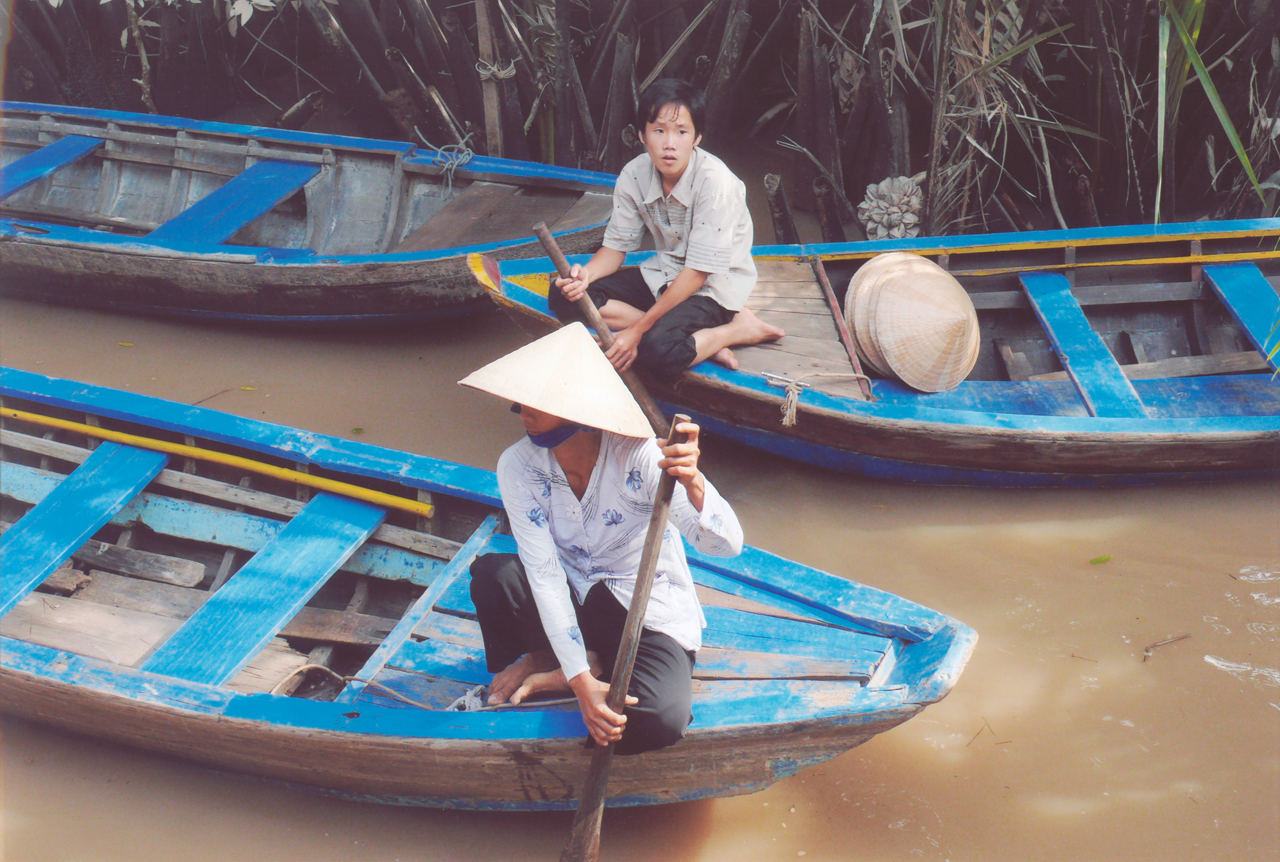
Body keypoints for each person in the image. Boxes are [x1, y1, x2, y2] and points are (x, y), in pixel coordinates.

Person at [458, 322, 743, 754]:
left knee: (659, 718)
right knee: (493, 574)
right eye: (524, 397)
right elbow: (545, 574)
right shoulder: (518, 465)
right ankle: (560, 661)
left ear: (579, 410)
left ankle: (573, 667)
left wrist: (696, 484)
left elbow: (725, 546)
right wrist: (580, 682)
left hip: (640, 607)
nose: (522, 408)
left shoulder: (642, 454)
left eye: (541, 400)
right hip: (574, 594)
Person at [550, 78, 784, 379]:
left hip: (713, 288)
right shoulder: (634, 174)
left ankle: (735, 329)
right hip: (665, 274)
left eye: (682, 132)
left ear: (697, 137)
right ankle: (689, 337)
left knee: (656, 351)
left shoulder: (717, 185)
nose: (669, 144)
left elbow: (697, 274)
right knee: (562, 296)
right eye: (659, 131)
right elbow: (615, 249)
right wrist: (585, 276)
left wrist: (637, 332)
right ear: (642, 135)